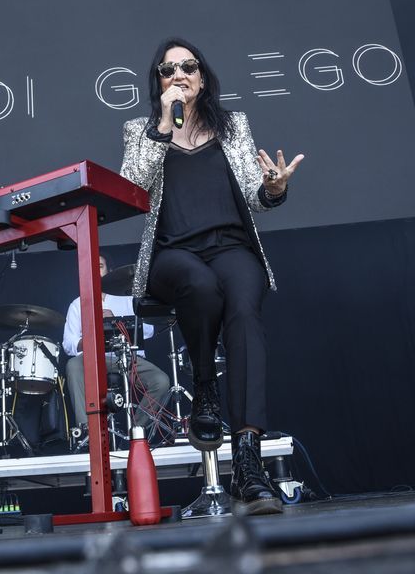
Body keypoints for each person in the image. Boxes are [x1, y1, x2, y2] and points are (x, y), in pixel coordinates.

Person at [120, 37, 303, 515]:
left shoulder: (233, 125)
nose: (178, 74)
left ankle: (248, 463)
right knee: (198, 285)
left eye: (188, 67)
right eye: (168, 69)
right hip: (171, 253)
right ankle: (204, 380)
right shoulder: (141, 128)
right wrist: (165, 123)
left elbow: (254, 195)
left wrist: (273, 189)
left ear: (202, 78)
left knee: (243, 310)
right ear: (158, 80)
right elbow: (132, 187)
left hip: (231, 245)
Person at [63, 254, 171, 445]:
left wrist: (115, 321)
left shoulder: (127, 299)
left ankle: (136, 432)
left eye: (100, 266)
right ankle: (87, 431)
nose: (96, 271)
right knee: (73, 365)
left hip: (126, 358)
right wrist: (90, 334)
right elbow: (69, 344)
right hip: (94, 360)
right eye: (91, 267)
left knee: (161, 381)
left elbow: (148, 330)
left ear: (109, 272)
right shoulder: (77, 305)